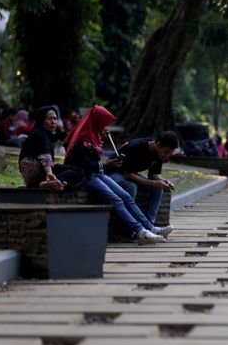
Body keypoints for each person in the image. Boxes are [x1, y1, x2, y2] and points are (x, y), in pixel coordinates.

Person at [64, 105, 171, 245]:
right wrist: (105, 165)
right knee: (117, 199)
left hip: (97, 174)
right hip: (85, 176)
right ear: (96, 121)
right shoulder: (82, 139)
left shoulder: (92, 135)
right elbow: (85, 164)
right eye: (104, 124)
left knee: (125, 196)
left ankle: (149, 227)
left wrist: (101, 137)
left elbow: (95, 154)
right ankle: (140, 231)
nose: (106, 127)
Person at [105, 130, 179, 225]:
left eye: (170, 154)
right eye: (166, 152)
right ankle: (128, 225)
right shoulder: (137, 147)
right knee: (131, 186)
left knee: (158, 189)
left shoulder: (159, 154)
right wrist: (153, 183)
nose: (167, 156)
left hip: (129, 173)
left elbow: (153, 175)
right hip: (114, 172)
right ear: (158, 145)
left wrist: (164, 181)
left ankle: (149, 224)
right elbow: (128, 175)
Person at [18, 106, 84, 191]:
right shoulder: (41, 135)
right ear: (41, 120)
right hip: (39, 176)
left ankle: (54, 183)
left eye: (55, 118)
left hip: (36, 177)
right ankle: (46, 183)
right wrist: (49, 173)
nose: (53, 122)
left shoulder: (40, 133)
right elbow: (45, 156)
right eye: (49, 119)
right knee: (78, 172)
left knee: (74, 171)